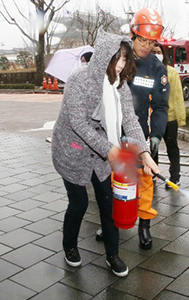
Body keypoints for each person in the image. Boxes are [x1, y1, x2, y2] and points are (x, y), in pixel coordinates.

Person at [52, 30, 160, 277]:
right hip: (72, 153)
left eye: (125, 59)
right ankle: (69, 245)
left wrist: (144, 153)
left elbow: (130, 119)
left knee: (108, 202)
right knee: (78, 204)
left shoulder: (118, 83)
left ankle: (113, 255)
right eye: (117, 59)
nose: (121, 65)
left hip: (101, 155)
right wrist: (109, 149)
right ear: (103, 57)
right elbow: (79, 123)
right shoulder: (79, 80)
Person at [127, 8, 169, 249]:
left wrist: (156, 135)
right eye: (143, 40)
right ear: (133, 34)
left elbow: (161, 106)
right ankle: (111, 219)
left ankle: (144, 225)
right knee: (111, 180)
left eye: (151, 41)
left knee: (145, 182)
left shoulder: (156, 68)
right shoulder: (119, 58)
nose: (147, 45)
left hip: (141, 133)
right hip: (113, 132)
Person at [151, 44, 186, 189]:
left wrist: (181, 118)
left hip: (169, 117)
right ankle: (152, 174)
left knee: (172, 148)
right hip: (152, 118)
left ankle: (175, 177)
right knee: (152, 148)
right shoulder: (145, 71)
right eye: (153, 52)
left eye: (159, 52)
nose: (156, 54)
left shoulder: (171, 72)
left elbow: (178, 96)